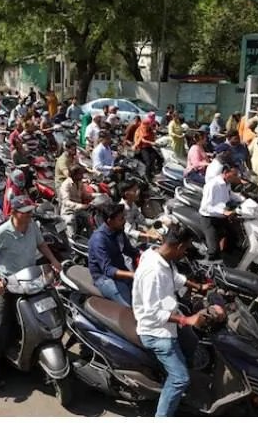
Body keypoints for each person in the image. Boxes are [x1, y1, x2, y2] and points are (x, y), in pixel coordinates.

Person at [132, 227, 213, 417]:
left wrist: (199, 286)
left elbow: (174, 278)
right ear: (179, 246)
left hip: (170, 319)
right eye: (186, 249)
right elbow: (153, 312)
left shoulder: (159, 256)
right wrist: (186, 319)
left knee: (192, 341)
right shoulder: (153, 272)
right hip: (156, 331)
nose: (185, 253)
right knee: (180, 379)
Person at [0, 196, 62, 353]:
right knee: (3, 321)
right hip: (9, 282)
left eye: (30, 211)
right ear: (13, 212)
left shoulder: (32, 226)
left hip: (31, 279)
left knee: (48, 307)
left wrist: (54, 260)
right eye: (25, 212)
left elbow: (41, 244)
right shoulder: (1, 232)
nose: (29, 215)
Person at [88, 203, 139, 306]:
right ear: (109, 221)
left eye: (124, 217)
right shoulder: (99, 239)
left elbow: (129, 250)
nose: (124, 221)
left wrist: (145, 255)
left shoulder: (119, 231)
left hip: (121, 271)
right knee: (129, 308)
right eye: (121, 219)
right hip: (104, 278)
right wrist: (132, 275)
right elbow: (108, 270)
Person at [198, 166, 244, 261]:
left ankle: (228, 260)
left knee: (235, 237)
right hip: (209, 219)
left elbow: (230, 195)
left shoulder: (227, 184)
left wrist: (244, 199)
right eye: (234, 175)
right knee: (213, 251)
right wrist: (223, 211)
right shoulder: (213, 185)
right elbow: (206, 207)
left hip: (221, 218)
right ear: (226, 172)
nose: (236, 177)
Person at [119, 179, 161, 246]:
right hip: (129, 243)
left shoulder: (133, 204)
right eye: (135, 191)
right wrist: (149, 236)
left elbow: (142, 220)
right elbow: (129, 231)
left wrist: (158, 221)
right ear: (127, 194)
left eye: (137, 189)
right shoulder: (121, 210)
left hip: (137, 237)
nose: (138, 192)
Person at [58, 165, 90, 238]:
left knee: (88, 218)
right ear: (74, 175)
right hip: (68, 211)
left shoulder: (80, 182)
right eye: (80, 174)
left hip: (79, 210)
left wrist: (97, 195)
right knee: (71, 220)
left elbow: (85, 195)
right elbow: (66, 202)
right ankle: (71, 240)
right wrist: (81, 206)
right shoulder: (66, 185)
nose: (82, 176)